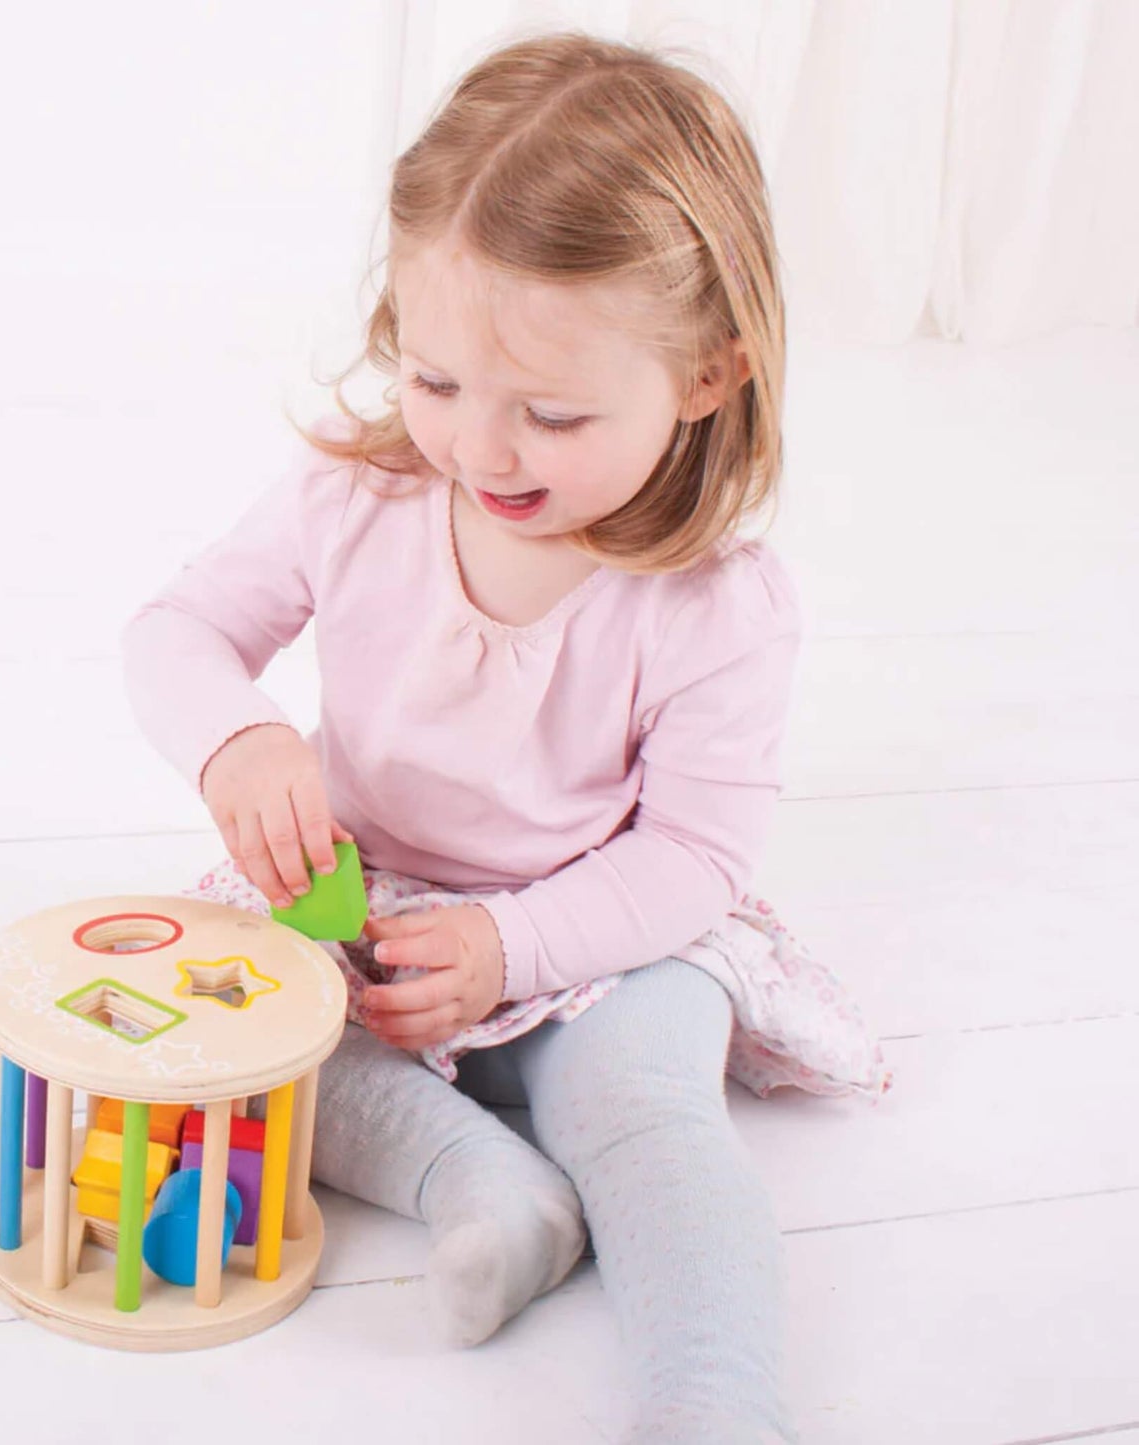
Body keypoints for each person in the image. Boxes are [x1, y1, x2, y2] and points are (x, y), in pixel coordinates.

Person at [123, 31, 889, 1445]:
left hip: (601, 933)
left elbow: (693, 856)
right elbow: (177, 633)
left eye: (549, 412)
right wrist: (238, 742)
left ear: (709, 377)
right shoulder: (354, 502)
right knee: (247, 1035)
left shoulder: (711, 604)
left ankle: (715, 1403)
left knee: (643, 1111)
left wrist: (514, 950)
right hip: (366, 907)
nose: (479, 449)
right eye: (433, 380)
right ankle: (485, 1188)